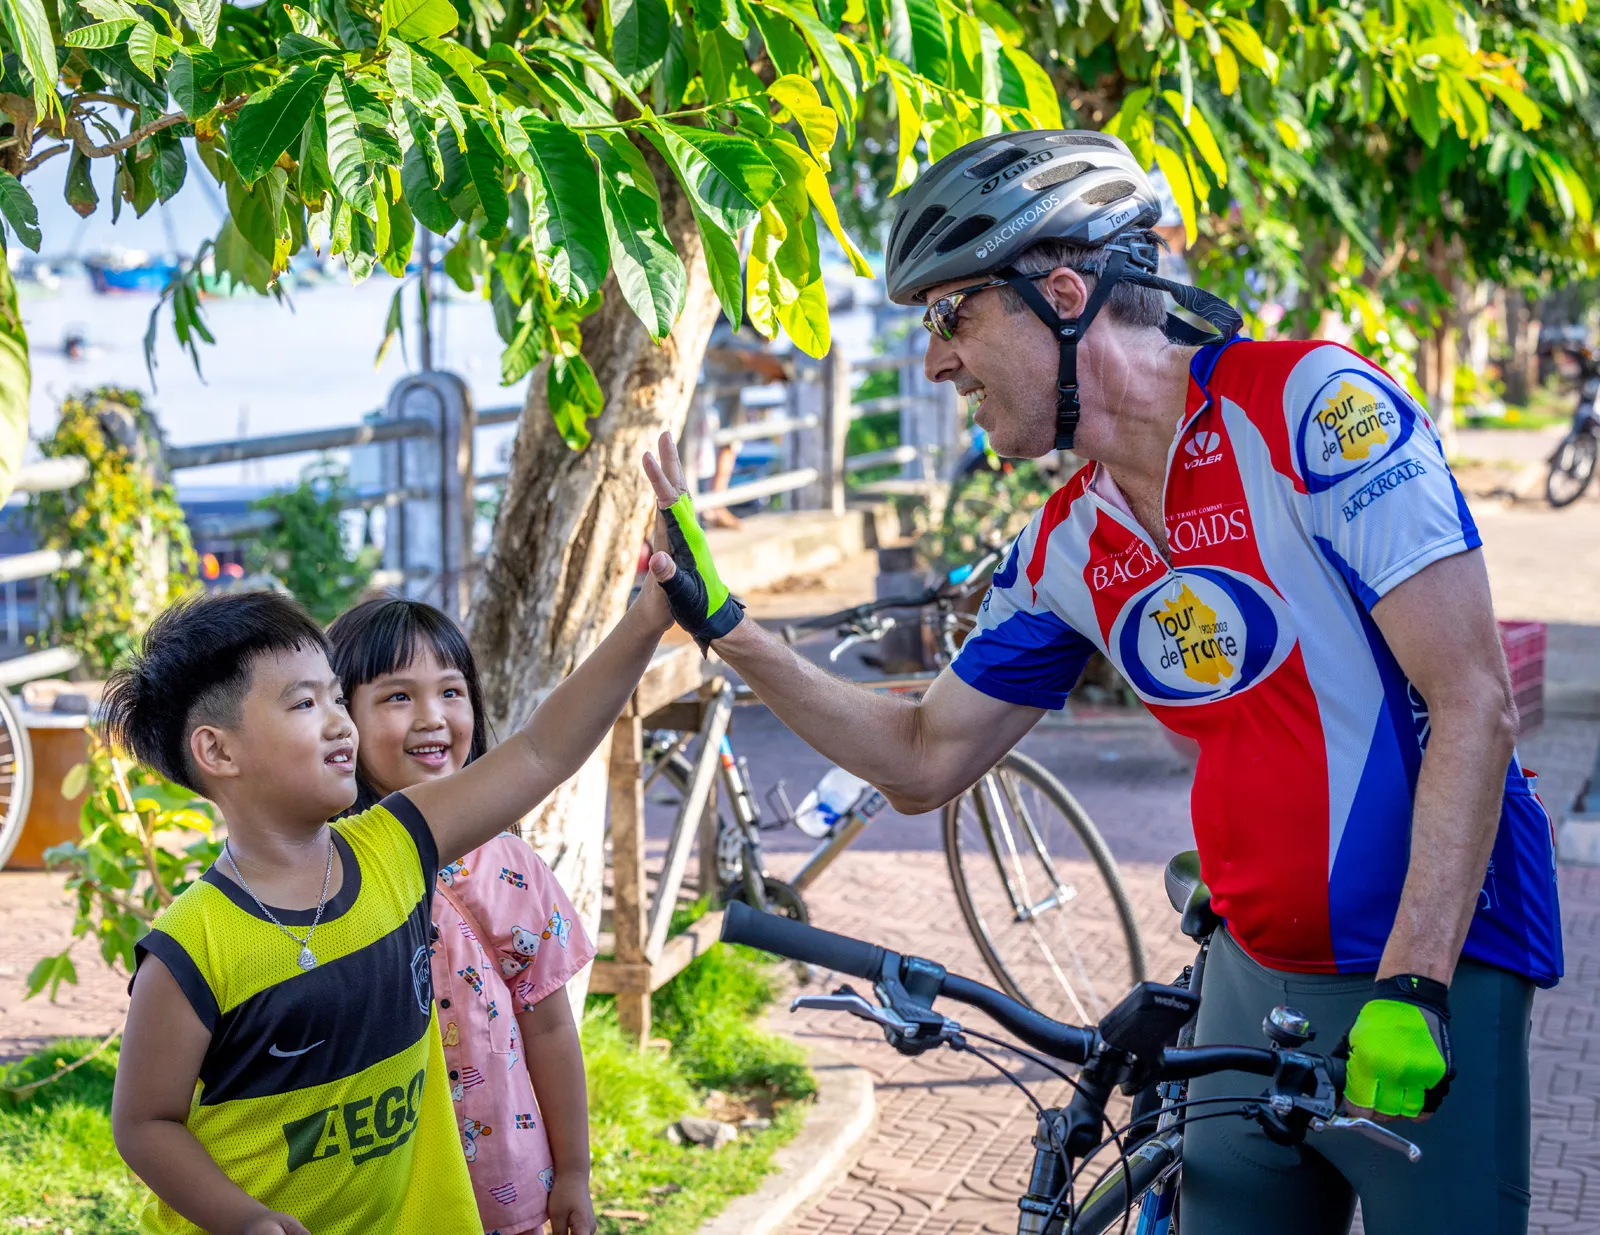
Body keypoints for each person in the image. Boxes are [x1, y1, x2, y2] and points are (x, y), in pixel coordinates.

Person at [642, 129, 1562, 1235]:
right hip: (1250, 968)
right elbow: (926, 754)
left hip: (1434, 964)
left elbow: (1472, 697)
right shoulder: (1062, 547)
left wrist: (1412, 983)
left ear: (1063, 293)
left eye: (951, 315)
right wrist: (734, 629)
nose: (936, 360)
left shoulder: (1315, 410)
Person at [107, 584, 671, 1235]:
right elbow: (144, 1122)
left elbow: (542, 750)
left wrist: (650, 615)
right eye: (304, 702)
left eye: (336, 697)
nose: (339, 721)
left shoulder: (400, 844)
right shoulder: (190, 947)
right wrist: (245, 1219)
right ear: (218, 751)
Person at [326, 597, 597, 1235]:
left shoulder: (509, 867)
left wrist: (576, 1171)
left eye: (452, 691)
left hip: (508, 1193)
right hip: (380, 1200)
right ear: (342, 723)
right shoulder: (324, 873)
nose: (432, 718)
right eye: (396, 697)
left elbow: (552, 1031)